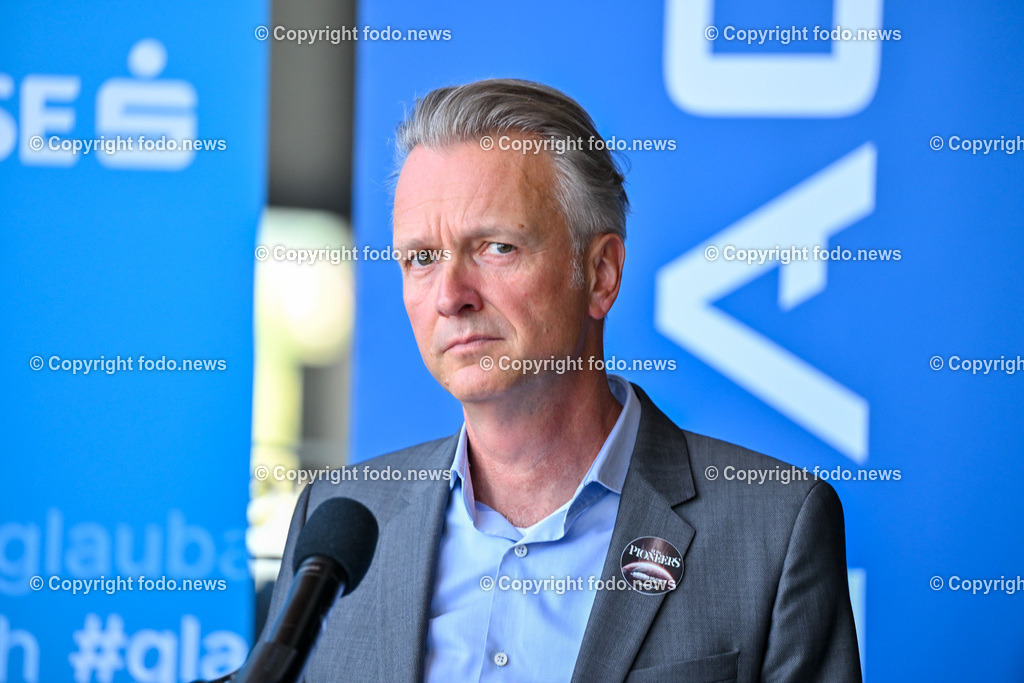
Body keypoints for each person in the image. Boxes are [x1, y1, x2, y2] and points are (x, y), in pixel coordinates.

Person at [260, 79, 862, 682]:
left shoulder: (773, 529)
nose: (450, 296)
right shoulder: (340, 520)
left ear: (600, 274)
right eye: (421, 257)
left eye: (496, 247)